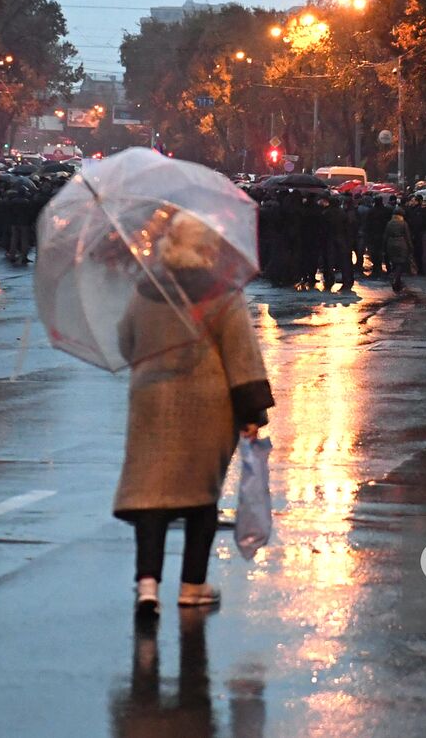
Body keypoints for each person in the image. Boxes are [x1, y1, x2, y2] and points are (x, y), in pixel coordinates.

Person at [114, 224, 275, 622]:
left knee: (150, 496)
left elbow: (125, 341)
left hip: (151, 403)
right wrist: (252, 412)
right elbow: (240, 351)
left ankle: (147, 586)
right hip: (207, 407)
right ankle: (192, 587)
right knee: (201, 498)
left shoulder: (147, 288)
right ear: (206, 249)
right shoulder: (222, 292)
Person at [384, 211, 414, 293]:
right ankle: (396, 279)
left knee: (394, 261)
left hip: (391, 243)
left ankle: (396, 277)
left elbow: (386, 235)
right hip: (401, 243)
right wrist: (410, 247)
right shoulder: (403, 223)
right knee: (401, 262)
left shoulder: (389, 223)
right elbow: (407, 236)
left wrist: (384, 246)